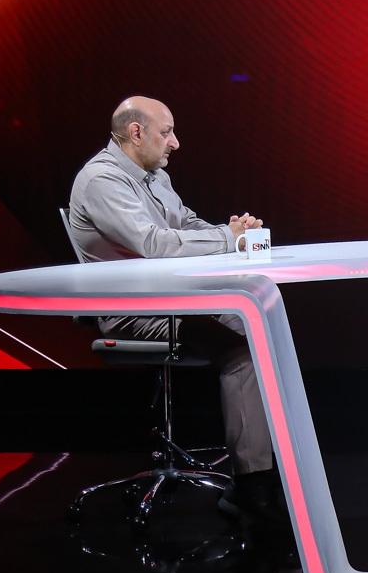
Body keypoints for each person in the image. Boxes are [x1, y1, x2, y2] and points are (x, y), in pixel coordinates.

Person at [66, 96, 282, 518]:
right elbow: (154, 244)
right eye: (166, 132)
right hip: (132, 314)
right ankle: (253, 484)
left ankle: (270, 467)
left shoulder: (154, 177)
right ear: (136, 133)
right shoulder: (101, 180)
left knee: (260, 322)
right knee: (243, 344)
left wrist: (233, 231)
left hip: (169, 304)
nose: (175, 142)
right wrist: (226, 239)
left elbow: (187, 224)